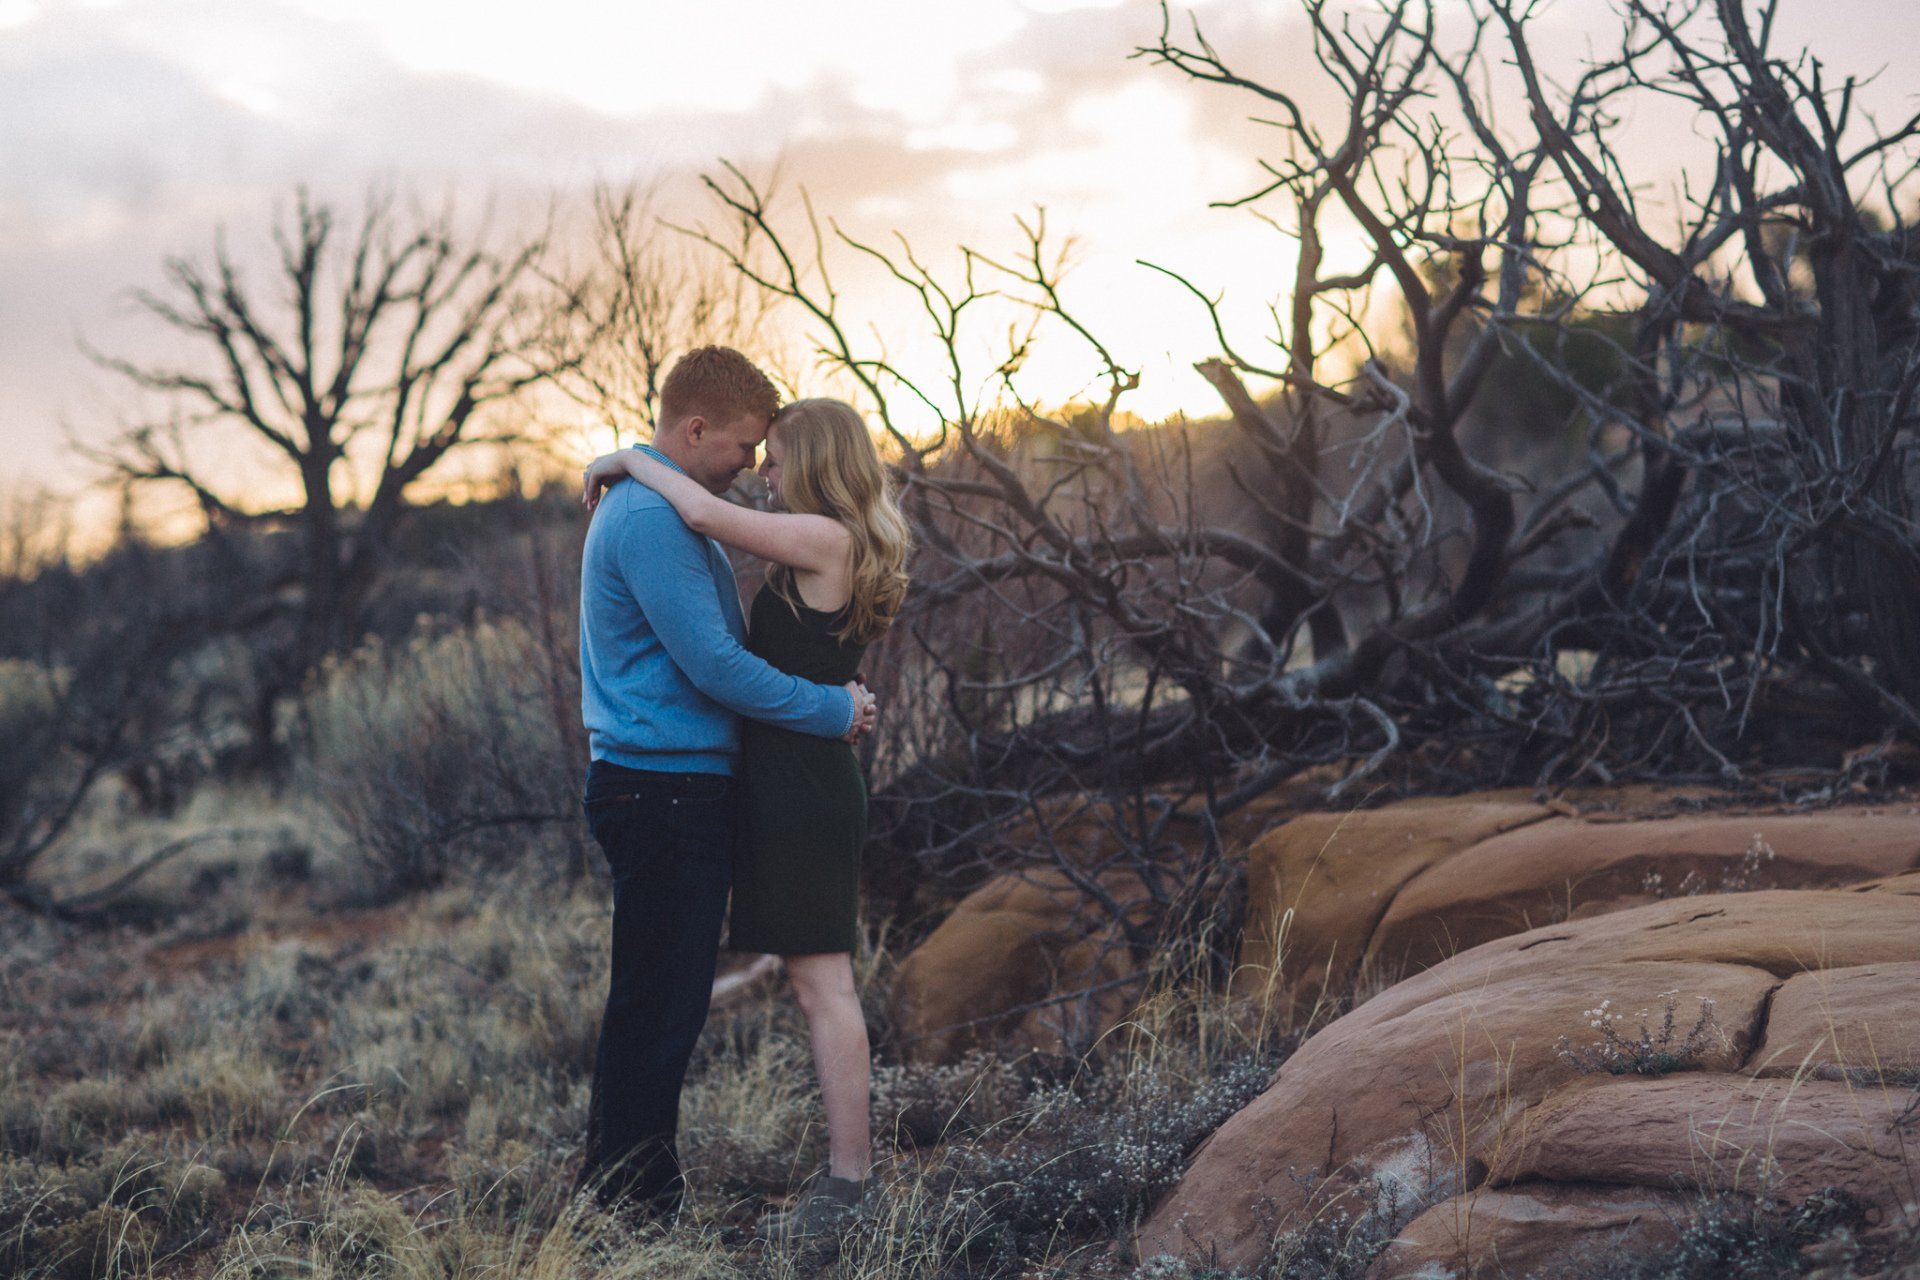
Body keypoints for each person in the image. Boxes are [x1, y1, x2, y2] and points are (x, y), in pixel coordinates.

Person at [582, 394, 911, 1241]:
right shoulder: (829, 538)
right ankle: (846, 1179)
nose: (763, 469)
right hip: (785, 780)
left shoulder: (824, 537)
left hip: (803, 786)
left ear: (814, 464)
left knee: (821, 983)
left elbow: (696, 508)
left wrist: (623, 460)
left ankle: (851, 1183)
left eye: (778, 457)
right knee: (813, 982)